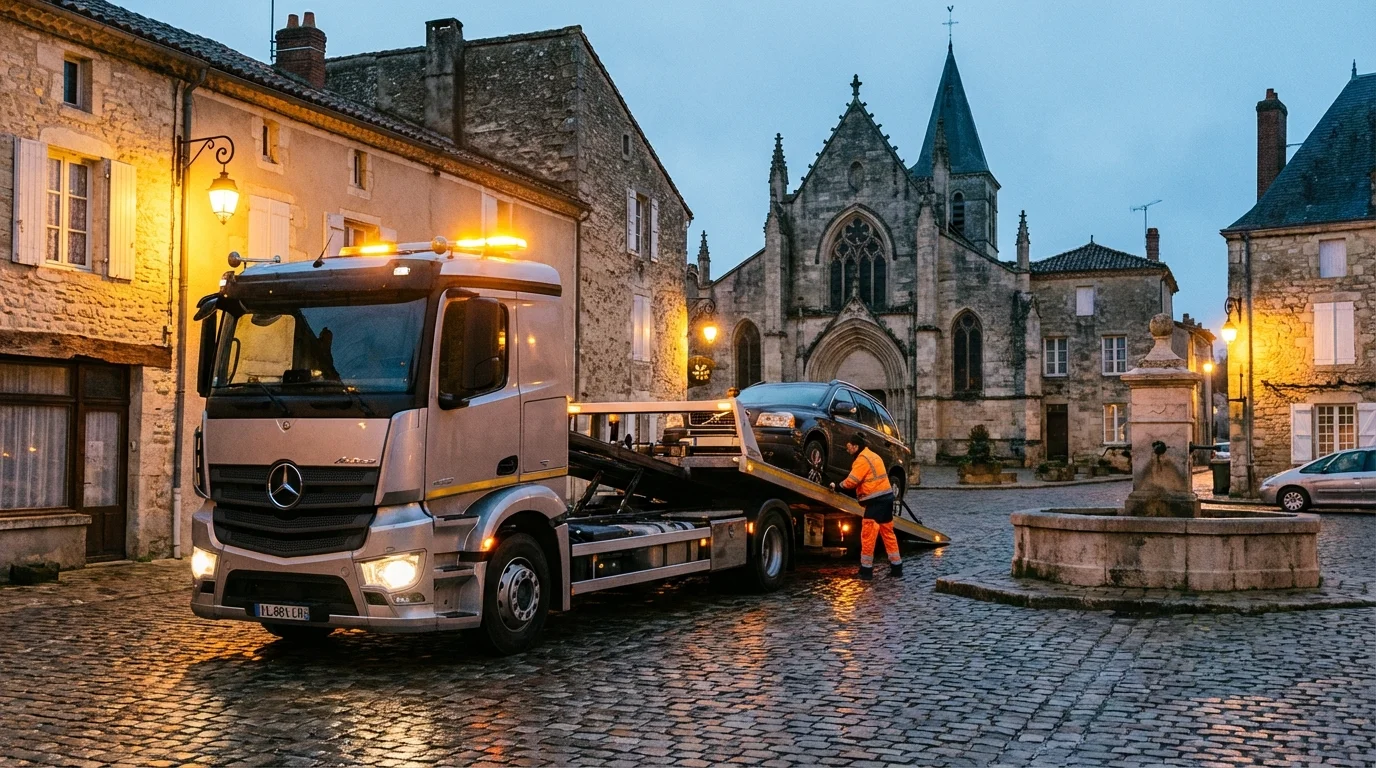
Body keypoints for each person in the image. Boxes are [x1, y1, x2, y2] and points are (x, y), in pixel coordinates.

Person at [831, 432, 901, 580]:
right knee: (888, 533)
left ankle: (866, 571)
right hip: (886, 498)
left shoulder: (862, 460)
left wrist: (837, 486)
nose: (847, 449)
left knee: (868, 535)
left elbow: (852, 481)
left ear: (856, 446)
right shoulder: (873, 456)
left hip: (875, 501)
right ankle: (897, 567)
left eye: (849, 446)